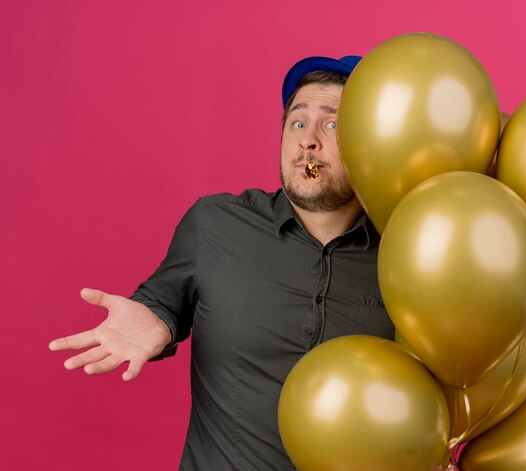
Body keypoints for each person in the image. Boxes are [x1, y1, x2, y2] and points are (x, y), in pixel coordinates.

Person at [49, 55, 395, 470]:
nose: (308, 140)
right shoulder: (215, 223)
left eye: (333, 123)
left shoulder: (404, 255)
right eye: (298, 122)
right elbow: (162, 301)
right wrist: (157, 318)